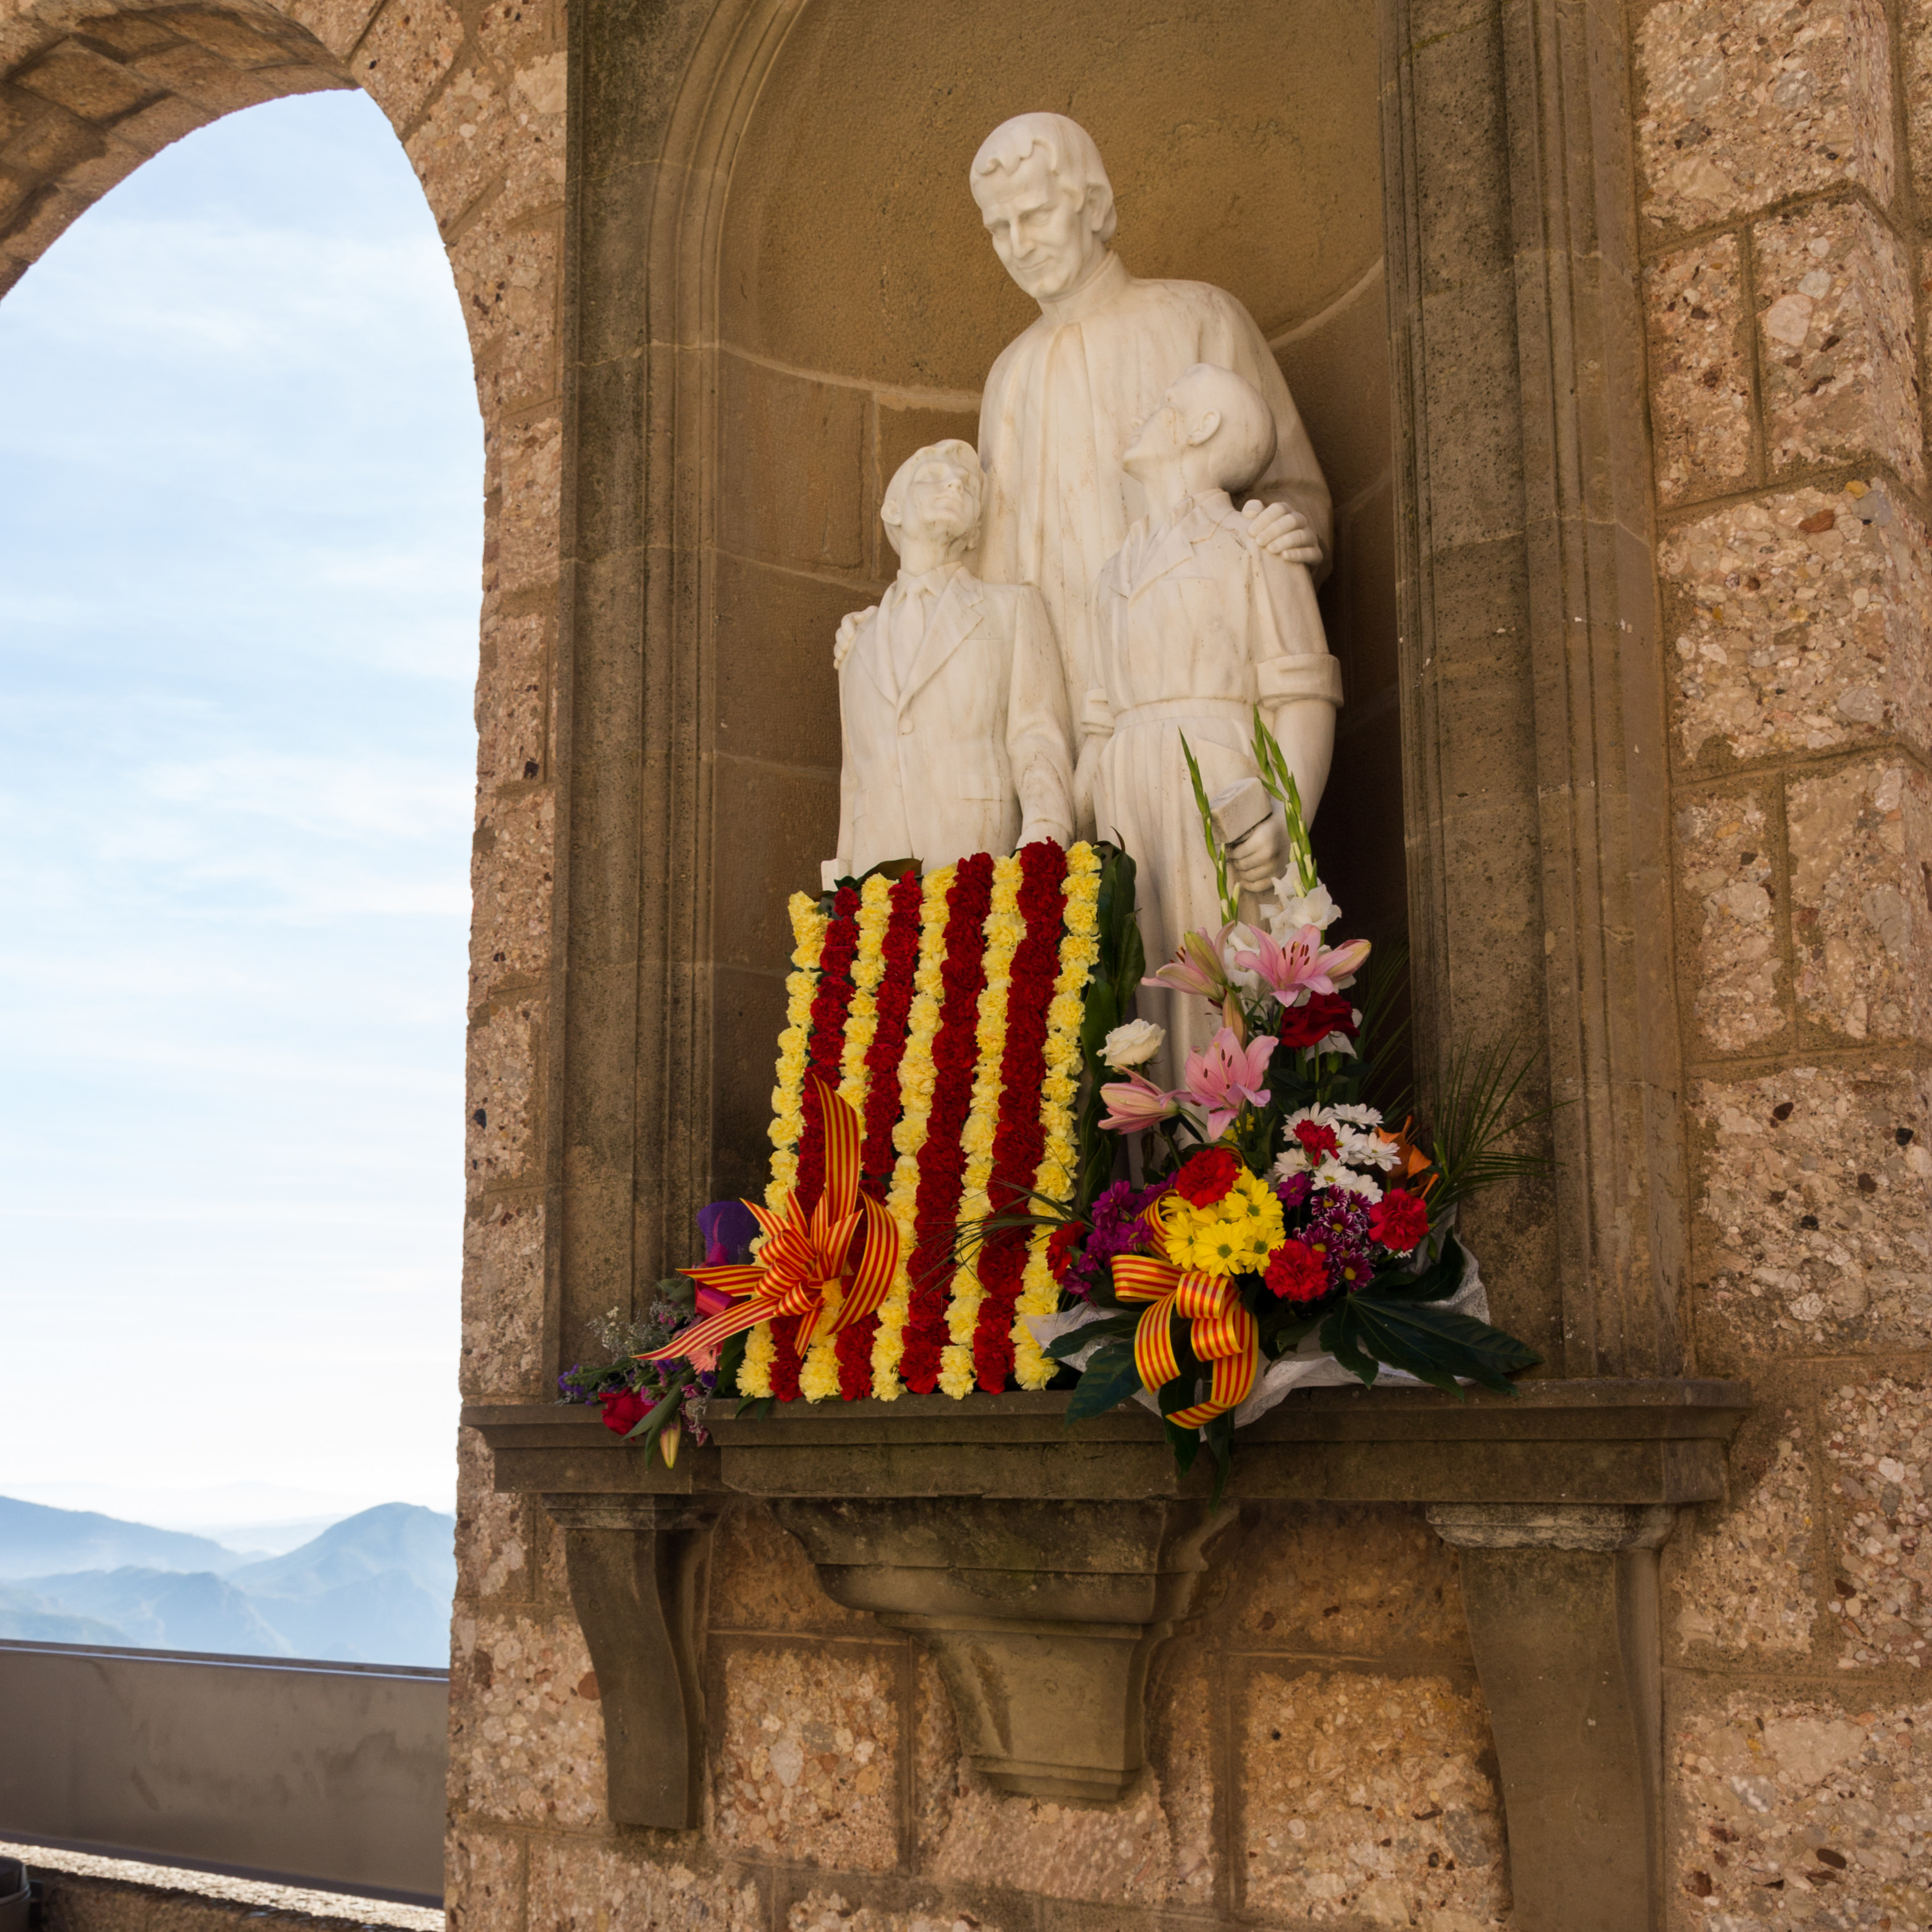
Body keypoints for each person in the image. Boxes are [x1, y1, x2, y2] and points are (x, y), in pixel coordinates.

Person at [970, 112, 1331, 763]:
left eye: (1035, 215)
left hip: (1198, 699)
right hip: (1062, 709)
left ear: (1092, 205)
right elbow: (991, 569)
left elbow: (1289, 489)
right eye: (999, 228)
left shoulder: (1200, 316)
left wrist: (1289, 526)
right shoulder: (1007, 374)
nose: (1019, 244)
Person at [1086, 365, 1342, 1090]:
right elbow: (1098, 716)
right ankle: (1147, 1159)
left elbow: (1302, 689)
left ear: (1201, 428)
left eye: (1166, 402)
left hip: (1215, 772)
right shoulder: (1113, 569)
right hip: (1124, 783)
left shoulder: (1255, 542)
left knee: (1220, 990)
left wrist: (1288, 816)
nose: (1147, 410)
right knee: (1136, 991)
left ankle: (1223, 1154)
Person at [824, 440, 1074, 886]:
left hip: (980, 871)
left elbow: (1036, 737)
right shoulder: (858, 641)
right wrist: (838, 889)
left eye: (967, 487)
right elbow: (854, 779)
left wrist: (1043, 844)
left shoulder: (1012, 608)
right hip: (875, 890)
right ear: (894, 510)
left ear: (976, 531)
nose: (955, 485)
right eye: (933, 478)